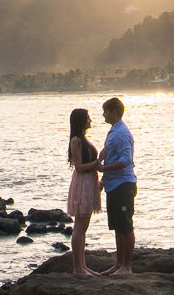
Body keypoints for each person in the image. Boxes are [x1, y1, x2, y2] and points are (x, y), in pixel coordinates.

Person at [96, 96, 136, 275]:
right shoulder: (113, 131)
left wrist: (104, 168)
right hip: (113, 185)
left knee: (125, 226)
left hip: (123, 185)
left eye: (105, 111)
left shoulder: (121, 133)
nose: (103, 114)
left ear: (114, 112)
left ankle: (126, 266)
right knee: (118, 226)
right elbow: (109, 153)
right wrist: (103, 179)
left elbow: (126, 160)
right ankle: (119, 264)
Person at [65, 107, 102, 276]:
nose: (91, 120)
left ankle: (82, 265)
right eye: (88, 118)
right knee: (79, 226)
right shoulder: (76, 141)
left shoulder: (83, 139)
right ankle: (77, 268)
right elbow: (79, 167)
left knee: (83, 226)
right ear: (81, 120)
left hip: (89, 181)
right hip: (82, 182)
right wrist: (99, 161)